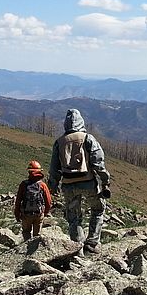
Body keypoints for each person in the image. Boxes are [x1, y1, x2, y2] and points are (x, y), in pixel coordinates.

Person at [48, 108, 111, 252]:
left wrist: (53, 185)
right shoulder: (87, 138)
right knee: (98, 209)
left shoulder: (59, 142)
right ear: (81, 122)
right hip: (88, 182)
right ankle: (92, 243)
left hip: (68, 185)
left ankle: (77, 246)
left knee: (73, 217)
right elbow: (98, 163)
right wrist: (105, 181)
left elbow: (54, 168)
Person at [13, 160, 52, 241]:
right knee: (37, 236)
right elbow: (48, 201)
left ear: (29, 172)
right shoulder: (42, 185)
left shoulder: (24, 184)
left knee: (26, 232)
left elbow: (18, 201)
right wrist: (45, 213)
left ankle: (26, 248)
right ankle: (33, 250)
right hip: (38, 213)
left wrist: (17, 214)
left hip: (26, 214)